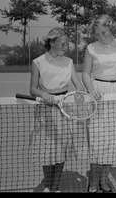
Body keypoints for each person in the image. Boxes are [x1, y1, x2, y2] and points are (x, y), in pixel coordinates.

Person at [30, 27, 85, 192]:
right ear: (51, 42)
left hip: (65, 108)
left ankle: (54, 187)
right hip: (45, 110)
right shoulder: (38, 62)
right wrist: (44, 94)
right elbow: (33, 89)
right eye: (62, 43)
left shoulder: (68, 62)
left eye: (67, 44)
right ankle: (47, 185)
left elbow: (77, 82)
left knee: (61, 148)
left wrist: (80, 92)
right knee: (47, 149)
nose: (65, 47)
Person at [82, 14, 116, 193]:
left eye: (103, 32)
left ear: (111, 29)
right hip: (98, 95)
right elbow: (86, 74)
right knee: (97, 141)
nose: (100, 37)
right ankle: (93, 182)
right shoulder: (91, 48)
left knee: (112, 142)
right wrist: (90, 90)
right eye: (97, 34)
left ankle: (104, 181)